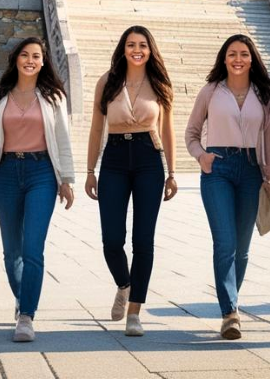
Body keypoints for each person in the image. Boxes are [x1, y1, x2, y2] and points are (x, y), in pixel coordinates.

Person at [0, 37, 75, 342]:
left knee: (33, 248)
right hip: (6, 173)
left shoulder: (53, 97)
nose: (30, 60)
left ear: (44, 61)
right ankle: (23, 297)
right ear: (16, 59)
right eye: (25, 55)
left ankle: (26, 315)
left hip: (41, 173)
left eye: (36, 56)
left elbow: (62, 139)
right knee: (11, 253)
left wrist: (66, 180)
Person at [84, 25, 178, 337]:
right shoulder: (107, 82)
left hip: (148, 160)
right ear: (123, 49)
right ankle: (124, 284)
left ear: (150, 50)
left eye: (142, 45)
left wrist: (173, 173)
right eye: (130, 44)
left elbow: (168, 131)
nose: (137, 50)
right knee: (111, 239)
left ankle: (135, 311)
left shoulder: (160, 83)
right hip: (113, 159)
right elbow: (97, 128)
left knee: (143, 240)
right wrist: (89, 171)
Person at [184, 34, 270, 340]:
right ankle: (230, 312)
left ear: (253, 59)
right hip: (218, 168)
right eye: (232, 54)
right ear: (223, 58)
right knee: (224, 242)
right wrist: (202, 157)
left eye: (244, 54)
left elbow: (269, 139)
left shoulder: (265, 95)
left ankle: (230, 301)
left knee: (243, 248)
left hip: (251, 170)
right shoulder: (210, 91)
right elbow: (192, 133)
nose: (238, 59)